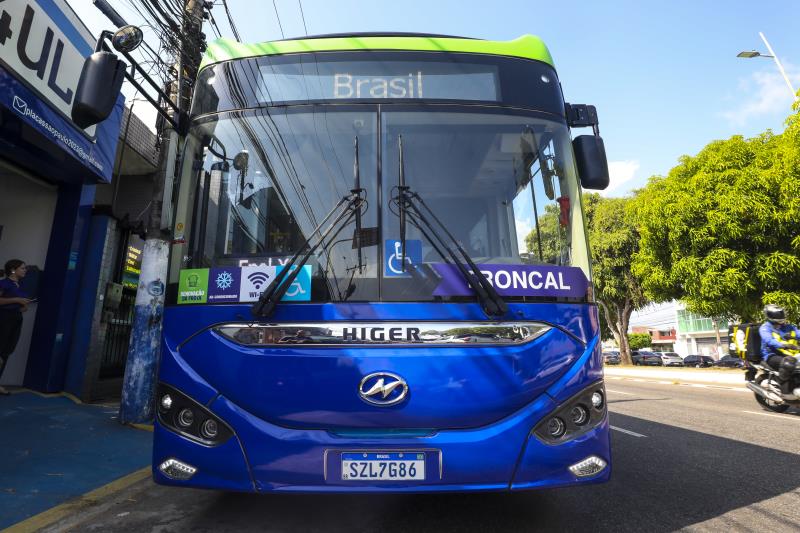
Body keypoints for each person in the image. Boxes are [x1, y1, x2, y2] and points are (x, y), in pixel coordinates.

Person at [0, 259, 32, 395]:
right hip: (3, 319)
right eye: (23, 268)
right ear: (13, 270)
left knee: (7, 351)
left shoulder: (20, 286)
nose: (25, 270)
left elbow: (21, 308)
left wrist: (23, 305)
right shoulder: (3, 283)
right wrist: (16, 300)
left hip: (16, 319)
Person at [758, 304, 800, 395]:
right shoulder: (765, 328)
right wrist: (785, 345)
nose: (781, 316)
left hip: (789, 353)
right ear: (770, 316)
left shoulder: (788, 327)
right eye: (778, 314)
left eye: (781, 314)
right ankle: (784, 390)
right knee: (788, 364)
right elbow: (769, 340)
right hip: (771, 355)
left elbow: (798, 333)